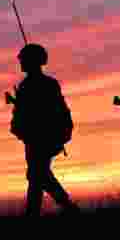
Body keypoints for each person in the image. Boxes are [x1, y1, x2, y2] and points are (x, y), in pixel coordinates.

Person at [9, 43, 79, 217]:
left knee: (36, 174)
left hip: (42, 137)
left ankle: (61, 207)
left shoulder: (33, 85)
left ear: (32, 61)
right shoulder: (43, 84)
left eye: (23, 59)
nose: (21, 62)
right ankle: (60, 208)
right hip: (37, 137)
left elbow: (50, 110)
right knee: (38, 175)